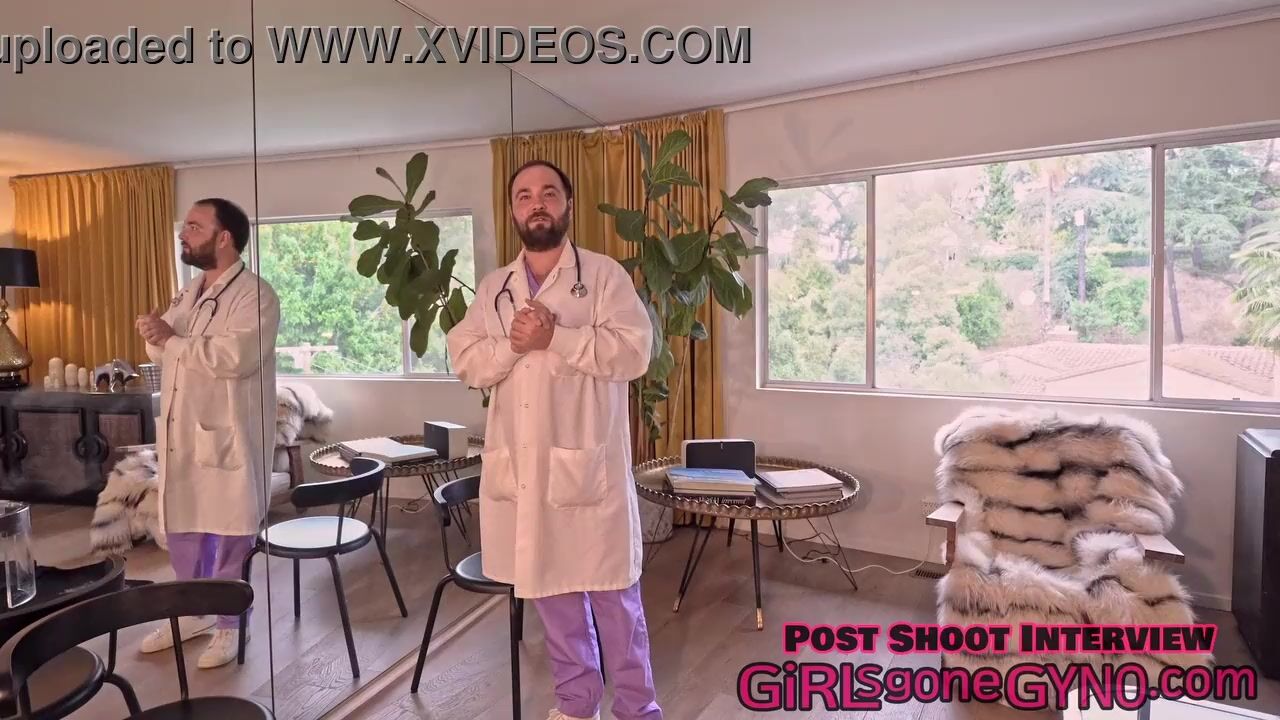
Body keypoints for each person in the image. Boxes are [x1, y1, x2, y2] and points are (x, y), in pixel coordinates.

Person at [446, 160, 663, 720]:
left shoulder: (604, 276)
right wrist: (515, 346)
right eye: (524, 195)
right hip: (524, 470)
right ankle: (576, 702)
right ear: (513, 210)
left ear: (567, 204)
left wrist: (556, 337)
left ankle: (638, 709)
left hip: (587, 468)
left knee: (614, 595)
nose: (536, 203)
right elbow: (467, 359)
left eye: (548, 193)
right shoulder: (495, 288)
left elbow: (635, 353)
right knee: (550, 592)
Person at [135, 198, 280, 669]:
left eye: (195, 227)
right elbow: (168, 352)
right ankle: (190, 613)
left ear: (224, 238)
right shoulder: (189, 292)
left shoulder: (255, 296)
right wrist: (155, 335)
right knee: (184, 526)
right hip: (182, 431)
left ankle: (230, 625)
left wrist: (170, 339)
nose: (184, 234)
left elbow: (234, 358)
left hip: (227, 433)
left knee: (230, 529)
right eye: (185, 227)